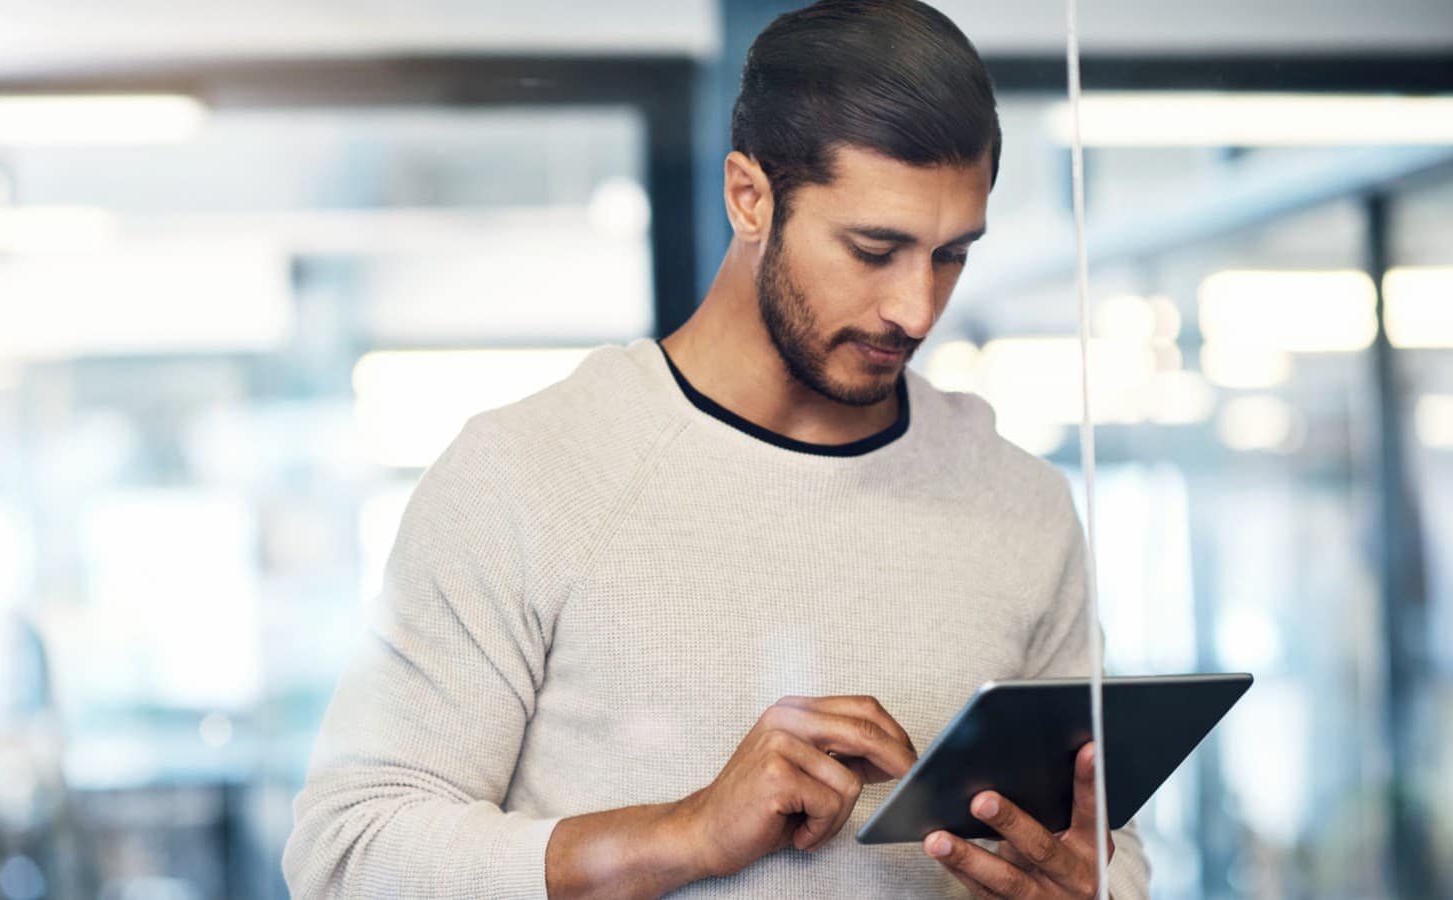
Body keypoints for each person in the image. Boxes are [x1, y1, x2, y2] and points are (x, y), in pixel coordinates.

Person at [283, 1, 1150, 896]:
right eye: (874, 248)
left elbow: (1114, 854)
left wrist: (1090, 888)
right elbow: (349, 855)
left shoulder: (1020, 502)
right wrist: (685, 833)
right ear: (750, 197)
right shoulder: (525, 472)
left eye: (951, 254)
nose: (917, 308)